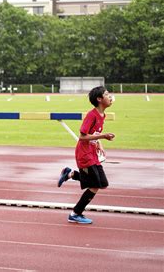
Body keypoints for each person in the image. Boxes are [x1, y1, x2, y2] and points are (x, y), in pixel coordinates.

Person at [57, 86, 115, 224]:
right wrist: (104, 136)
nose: (110, 96)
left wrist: (99, 143)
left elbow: (94, 133)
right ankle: (75, 213)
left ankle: (70, 174)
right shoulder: (92, 115)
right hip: (84, 154)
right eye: (107, 94)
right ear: (99, 99)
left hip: (92, 153)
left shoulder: (102, 115)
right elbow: (82, 136)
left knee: (102, 183)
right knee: (95, 185)